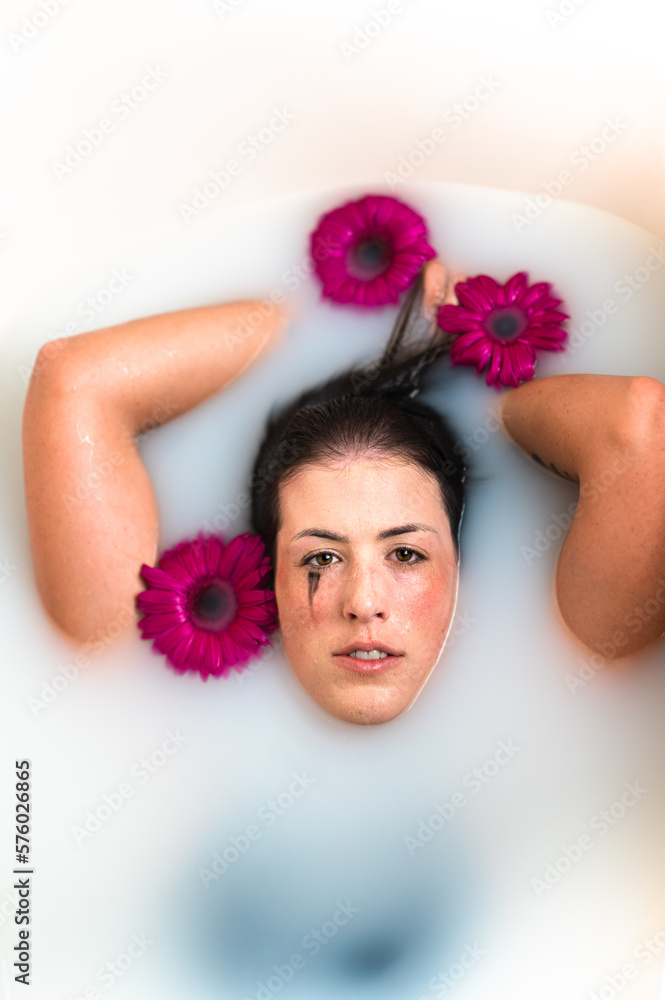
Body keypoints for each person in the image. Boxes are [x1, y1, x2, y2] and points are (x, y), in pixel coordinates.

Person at [22, 260, 665, 725]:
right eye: (320, 558)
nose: (364, 603)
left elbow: (639, 425)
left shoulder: (588, 640)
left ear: (459, 556)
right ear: (267, 574)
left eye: (407, 554)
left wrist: (470, 353)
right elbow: (73, 377)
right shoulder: (119, 651)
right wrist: (304, 316)